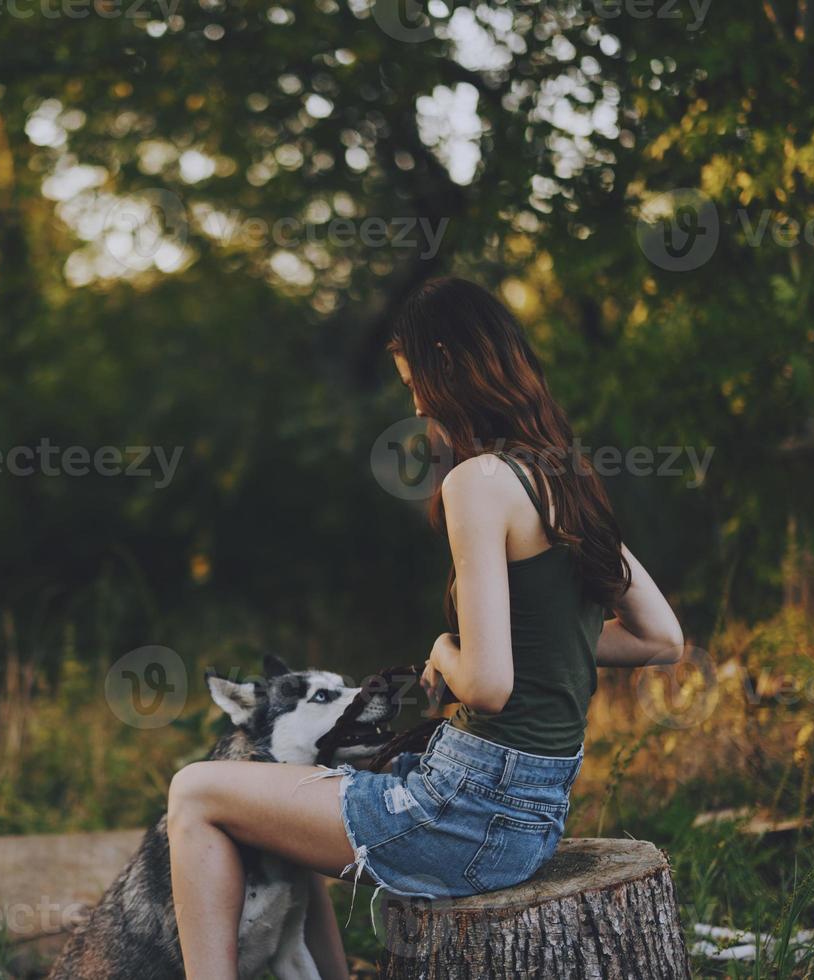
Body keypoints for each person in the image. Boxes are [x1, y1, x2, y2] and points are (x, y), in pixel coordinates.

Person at [167, 276, 685, 980]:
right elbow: (662, 639)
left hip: (465, 815)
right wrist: (531, 646)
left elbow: (490, 686)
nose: (414, 404)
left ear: (448, 365)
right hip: (532, 818)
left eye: (415, 382)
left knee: (195, 791)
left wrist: (448, 650)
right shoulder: (566, 479)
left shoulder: (476, 482)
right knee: (285, 809)